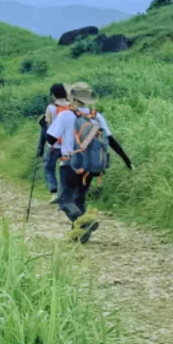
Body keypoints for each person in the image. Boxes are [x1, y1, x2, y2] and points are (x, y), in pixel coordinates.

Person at [46, 81, 110, 242]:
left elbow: (50, 139)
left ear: (72, 98)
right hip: (90, 165)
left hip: (69, 163)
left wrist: (48, 141)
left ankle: (85, 222)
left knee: (64, 199)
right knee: (79, 198)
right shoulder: (97, 116)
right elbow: (109, 139)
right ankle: (80, 236)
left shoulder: (66, 115)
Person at [38, 83, 71, 202]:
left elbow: (48, 127)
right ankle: (66, 194)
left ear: (52, 94)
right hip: (68, 146)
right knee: (65, 170)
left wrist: (41, 146)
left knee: (48, 168)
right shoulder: (72, 107)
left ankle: (54, 192)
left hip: (54, 144)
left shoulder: (51, 108)